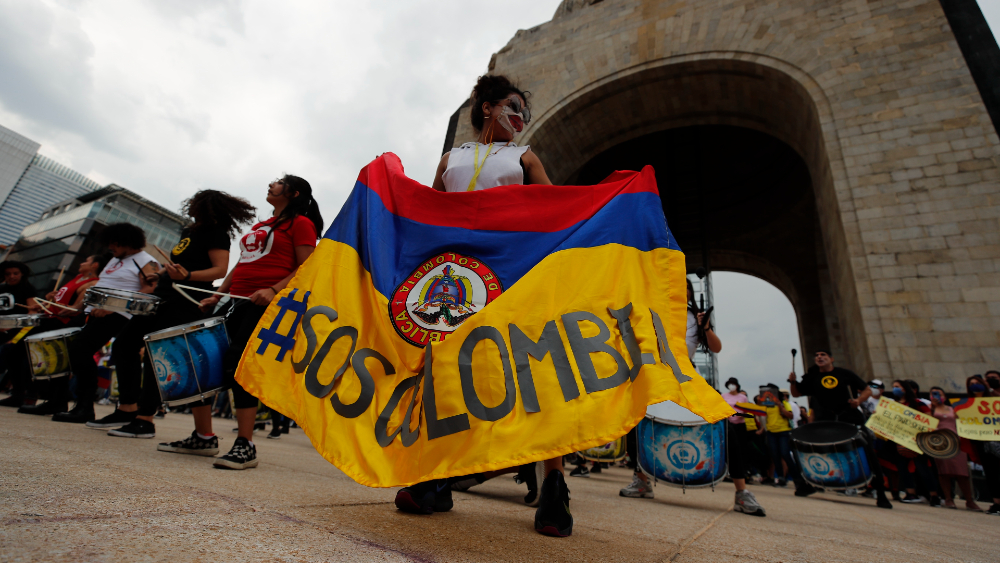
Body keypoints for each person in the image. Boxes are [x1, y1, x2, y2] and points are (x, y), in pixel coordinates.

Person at [404, 74, 571, 537]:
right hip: (456, 277)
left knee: (532, 372)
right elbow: (427, 214)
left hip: (512, 271)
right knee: (446, 370)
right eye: (513, 108)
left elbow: (558, 212)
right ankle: (437, 477)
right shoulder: (451, 158)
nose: (520, 120)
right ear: (487, 108)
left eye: (525, 114)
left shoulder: (524, 156)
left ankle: (554, 483)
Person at [156, 176, 322, 470]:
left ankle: (246, 445)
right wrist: (218, 295)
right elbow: (242, 264)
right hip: (237, 302)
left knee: (237, 362)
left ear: (293, 193)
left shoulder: (300, 224)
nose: (271, 183)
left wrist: (273, 290)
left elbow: (308, 268)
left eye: (280, 182)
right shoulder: (261, 226)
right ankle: (203, 436)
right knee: (202, 358)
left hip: (266, 305)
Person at [88, 191, 256, 438]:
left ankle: (145, 419)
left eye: (195, 202)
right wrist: (163, 274)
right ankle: (127, 408)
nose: (189, 205)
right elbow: (181, 268)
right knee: (124, 345)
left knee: (159, 356)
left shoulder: (215, 232)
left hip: (187, 300)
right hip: (164, 295)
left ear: (205, 207)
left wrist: (186, 276)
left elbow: (219, 270)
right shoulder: (189, 231)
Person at [620, 278, 721, 499]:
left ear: (690, 293)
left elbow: (716, 347)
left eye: (685, 288)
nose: (681, 291)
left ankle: (741, 489)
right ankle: (641, 481)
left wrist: (706, 328)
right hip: (658, 373)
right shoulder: (657, 311)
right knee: (641, 422)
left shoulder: (696, 318)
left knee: (718, 421)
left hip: (686, 377)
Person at [52, 225, 160, 423]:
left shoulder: (146, 261)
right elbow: (101, 286)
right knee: (71, 350)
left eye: (115, 243)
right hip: (94, 312)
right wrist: (77, 307)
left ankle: (84, 406)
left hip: (120, 315)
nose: (111, 247)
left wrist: (116, 308)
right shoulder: (115, 259)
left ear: (129, 242)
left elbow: (149, 290)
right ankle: (68, 403)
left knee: (81, 349)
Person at [789, 350, 892, 508]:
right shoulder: (812, 377)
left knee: (867, 452)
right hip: (825, 420)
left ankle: (880, 492)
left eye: (823, 355)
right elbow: (796, 394)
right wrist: (793, 382)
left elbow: (867, 390)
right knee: (807, 448)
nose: (819, 357)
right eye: (816, 355)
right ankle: (809, 483)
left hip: (848, 418)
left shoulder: (845, 374)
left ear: (831, 359)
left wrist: (858, 401)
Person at [16, 254, 111, 415]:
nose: (82, 262)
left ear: (95, 265)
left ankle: (49, 399)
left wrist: (63, 308)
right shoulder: (78, 277)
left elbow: (74, 308)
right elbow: (60, 301)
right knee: (25, 355)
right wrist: (48, 300)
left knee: (53, 362)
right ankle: (50, 399)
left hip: (62, 323)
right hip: (51, 319)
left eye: (86, 261)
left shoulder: (92, 283)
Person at [928, 387, 981, 511]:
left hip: (957, 442)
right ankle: (948, 499)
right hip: (940, 443)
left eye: (938, 394)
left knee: (962, 472)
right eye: (933, 394)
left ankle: (969, 500)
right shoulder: (930, 409)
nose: (935, 396)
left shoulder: (953, 409)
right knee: (943, 472)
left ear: (944, 397)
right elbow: (926, 421)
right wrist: (932, 408)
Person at [722, 377, 766, 516]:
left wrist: (740, 413)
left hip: (739, 425)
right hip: (725, 420)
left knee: (738, 450)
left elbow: (748, 412)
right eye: (729, 384)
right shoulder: (724, 396)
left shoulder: (742, 397)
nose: (731, 386)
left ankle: (741, 491)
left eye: (733, 384)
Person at [0, 261, 41, 407]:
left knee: (12, 360)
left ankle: (19, 395)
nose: (12, 276)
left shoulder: (27, 289)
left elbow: (32, 313)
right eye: (8, 274)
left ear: (22, 273)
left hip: (17, 333)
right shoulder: (1, 288)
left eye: (15, 273)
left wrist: (16, 337)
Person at [966, 375, 1000, 515]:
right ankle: (997, 503)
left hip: (997, 440)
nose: (974, 386)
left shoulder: (994, 400)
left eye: (977, 383)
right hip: (982, 443)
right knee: (991, 473)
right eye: (971, 384)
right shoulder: (967, 404)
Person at [761, 384, 800, 488]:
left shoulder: (784, 403)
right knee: (775, 455)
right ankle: (781, 478)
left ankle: (797, 478)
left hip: (784, 431)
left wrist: (780, 406)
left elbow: (790, 415)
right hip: (771, 432)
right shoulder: (766, 405)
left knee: (785, 454)